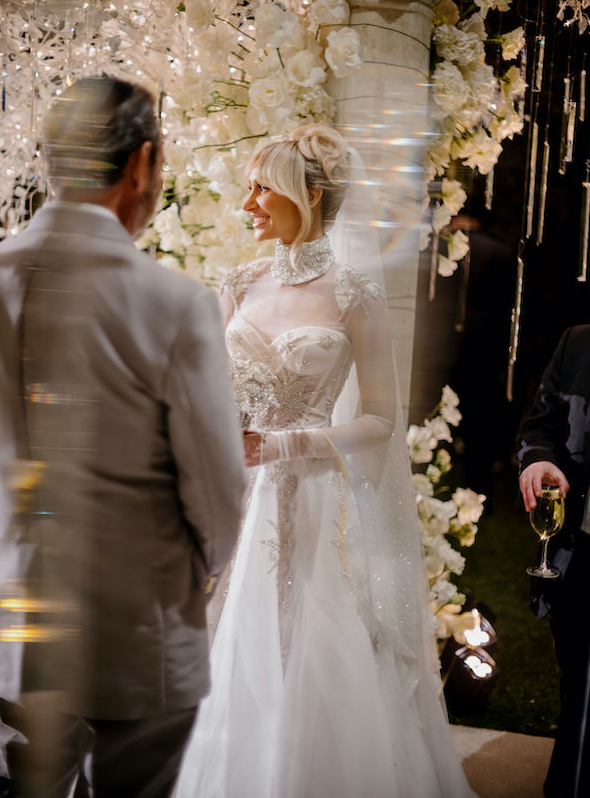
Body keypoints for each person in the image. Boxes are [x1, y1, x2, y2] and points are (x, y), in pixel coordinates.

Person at [0, 76, 246, 797]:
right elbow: (217, 490)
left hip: (19, 593)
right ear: (140, 165)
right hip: (140, 612)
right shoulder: (174, 303)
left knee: (19, 782)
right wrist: (205, 569)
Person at [174, 125, 473, 798]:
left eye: (261, 189)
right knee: (230, 647)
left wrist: (289, 444)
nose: (247, 203)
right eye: (248, 187)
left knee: (317, 644)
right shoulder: (238, 283)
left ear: (307, 196)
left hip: (314, 503)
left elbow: (382, 420)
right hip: (237, 498)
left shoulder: (354, 296)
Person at [518, 322, 590, 798]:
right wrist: (536, 459)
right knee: (577, 689)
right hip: (579, 553)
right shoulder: (579, 342)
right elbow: (539, 424)